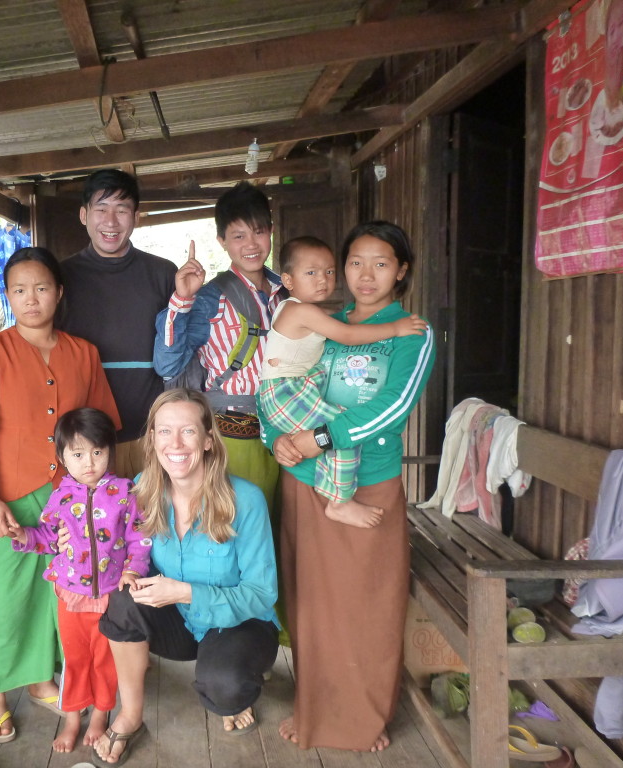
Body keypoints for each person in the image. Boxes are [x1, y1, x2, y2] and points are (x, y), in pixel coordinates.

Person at [260, 221, 436, 753]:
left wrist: (316, 437)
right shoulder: (325, 324)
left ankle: (359, 718)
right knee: (312, 606)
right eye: (356, 261)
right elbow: (283, 385)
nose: (364, 274)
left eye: (380, 263)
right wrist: (277, 441)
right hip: (304, 484)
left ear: (401, 271)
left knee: (364, 607)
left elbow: (392, 408)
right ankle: (313, 707)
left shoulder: (410, 331)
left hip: (367, 487)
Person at [0, 247, 121, 743]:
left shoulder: (82, 352)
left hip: (70, 499)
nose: (32, 299)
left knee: (62, 595)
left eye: (42, 287)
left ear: (59, 293)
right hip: (7, 493)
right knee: (3, 598)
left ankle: (40, 678)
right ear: (8, 296)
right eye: (20, 290)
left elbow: (100, 429)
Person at [93, 388, 279, 766]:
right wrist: (64, 536)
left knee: (225, 686)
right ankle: (130, 715)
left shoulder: (246, 499)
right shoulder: (146, 486)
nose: (174, 443)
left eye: (188, 431)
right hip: (181, 622)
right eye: (163, 431)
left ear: (209, 439)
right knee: (122, 599)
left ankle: (233, 683)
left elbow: (262, 594)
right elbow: (116, 539)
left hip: (241, 623)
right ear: (152, 439)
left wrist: (184, 591)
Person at [257, 236, 427, 528]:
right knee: (339, 432)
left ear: (401, 271)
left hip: (371, 477)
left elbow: (397, 402)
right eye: (356, 263)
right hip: (296, 449)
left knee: (336, 431)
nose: (322, 280)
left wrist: (323, 436)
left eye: (328, 271)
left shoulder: (416, 334)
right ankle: (340, 501)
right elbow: (348, 336)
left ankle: (337, 497)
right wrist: (396, 328)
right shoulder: (312, 315)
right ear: (288, 279)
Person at [9, 407, 151, 753]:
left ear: (109, 453)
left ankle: (102, 714)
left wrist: (134, 570)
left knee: (105, 660)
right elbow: (47, 535)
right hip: (69, 595)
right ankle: (72, 718)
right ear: (62, 457)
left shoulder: (124, 491)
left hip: (109, 598)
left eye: (98, 452)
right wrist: (23, 535)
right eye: (78, 453)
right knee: (75, 660)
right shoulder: (61, 496)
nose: (89, 462)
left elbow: (139, 537)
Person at [153, 181, 282, 510]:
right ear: (222, 241)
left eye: (259, 231)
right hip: (233, 431)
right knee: (236, 521)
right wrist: (182, 299)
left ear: (271, 230)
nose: (251, 244)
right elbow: (167, 364)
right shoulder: (212, 298)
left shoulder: (285, 291)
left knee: (279, 525)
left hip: (285, 429)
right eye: (239, 236)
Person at [59, 168, 177, 476]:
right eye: (101, 209)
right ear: (84, 215)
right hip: (85, 445)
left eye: (121, 210)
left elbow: (179, 351)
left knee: (155, 521)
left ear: (136, 217)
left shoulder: (163, 274)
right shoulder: (61, 277)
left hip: (151, 436)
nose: (111, 222)